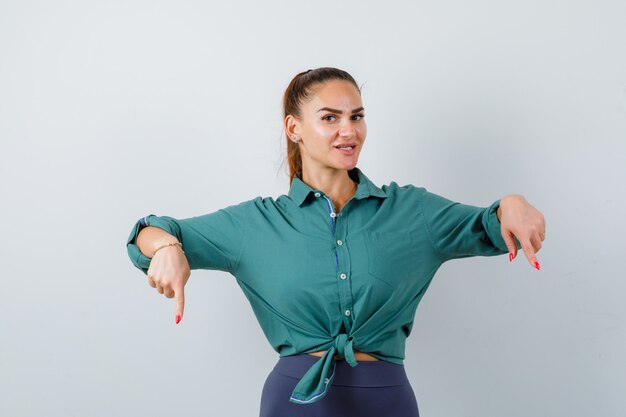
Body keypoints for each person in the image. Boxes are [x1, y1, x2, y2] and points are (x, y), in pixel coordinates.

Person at [125, 67, 546, 417]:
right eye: (330, 118)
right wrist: (166, 247)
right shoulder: (256, 224)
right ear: (294, 128)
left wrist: (512, 203)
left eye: (357, 116)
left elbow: (489, 224)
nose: (349, 130)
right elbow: (149, 231)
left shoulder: (411, 211)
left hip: (388, 401)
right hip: (295, 404)